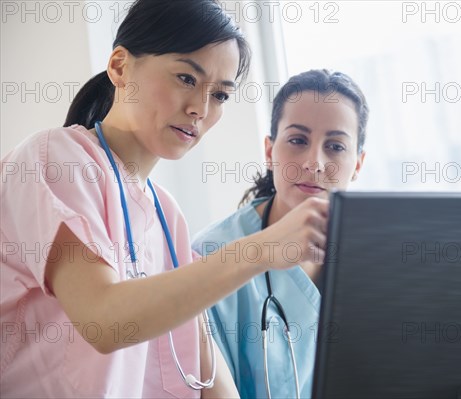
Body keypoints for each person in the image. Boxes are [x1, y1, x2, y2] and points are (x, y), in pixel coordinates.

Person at [0, 1, 329, 397]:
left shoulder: (165, 214)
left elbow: (207, 370)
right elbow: (105, 321)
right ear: (121, 67)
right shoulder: (56, 158)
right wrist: (261, 248)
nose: (200, 109)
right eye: (186, 78)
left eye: (221, 95)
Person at [192, 69, 368, 399]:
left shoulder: (377, 255)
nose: (314, 163)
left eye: (335, 146)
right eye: (298, 141)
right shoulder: (210, 255)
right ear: (270, 152)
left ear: (358, 164)